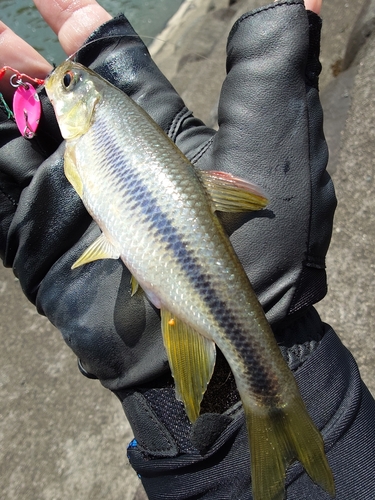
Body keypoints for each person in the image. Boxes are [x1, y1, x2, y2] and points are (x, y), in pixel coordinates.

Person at [1, 0, 374, 498]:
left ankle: (268, 404)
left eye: (69, 84)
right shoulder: (92, 132)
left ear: (86, 104)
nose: (62, 82)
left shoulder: (88, 135)